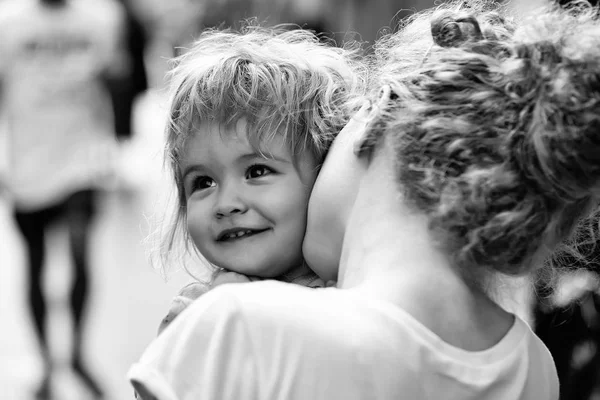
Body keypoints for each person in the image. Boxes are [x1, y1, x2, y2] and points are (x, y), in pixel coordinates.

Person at [127, 0, 600, 398]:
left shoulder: (238, 325)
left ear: (372, 125)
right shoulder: (533, 367)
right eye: (201, 183)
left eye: (257, 171)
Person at [152, 26, 364, 334]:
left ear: (325, 176)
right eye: (203, 183)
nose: (226, 205)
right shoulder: (194, 316)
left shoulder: (361, 298)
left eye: (256, 172)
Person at [0, 0, 127, 398]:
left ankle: (76, 353)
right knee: (35, 265)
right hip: (28, 165)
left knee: (79, 252)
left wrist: (118, 147)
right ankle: (45, 361)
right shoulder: (9, 23)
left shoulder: (102, 18)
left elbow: (118, 80)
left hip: (81, 162)